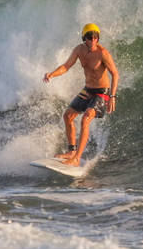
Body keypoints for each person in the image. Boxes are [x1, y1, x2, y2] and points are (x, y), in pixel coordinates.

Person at [42, 23, 119, 166]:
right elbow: (66, 66)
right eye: (90, 37)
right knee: (68, 116)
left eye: (96, 37)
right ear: (84, 38)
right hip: (88, 90)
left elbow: (115, 74)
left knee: (86, 118)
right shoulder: (79, 50)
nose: (93, 40)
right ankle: (71, 151)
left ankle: (76, 158)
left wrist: (112, 96)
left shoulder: (103, 53)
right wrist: (52, 74)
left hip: (102, 93)